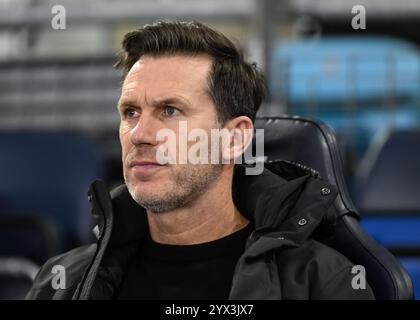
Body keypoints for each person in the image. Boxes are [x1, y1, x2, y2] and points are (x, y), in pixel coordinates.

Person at [26, 21, 374, 300]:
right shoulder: (64, 282)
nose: (140, 134)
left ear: (235, 138)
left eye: (170, 110)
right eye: (130, 112)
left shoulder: (320, 282)